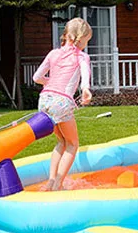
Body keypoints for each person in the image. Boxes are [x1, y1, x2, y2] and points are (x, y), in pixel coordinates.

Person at [32, 17, 93, 191]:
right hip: (62, 101)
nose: (85, 45)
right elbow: (84, 78)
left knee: (61, 142)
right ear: (80, 39)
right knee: (72, 143)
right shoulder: (82, 56)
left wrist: (50, 82)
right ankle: (58, 184)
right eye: (86, 42)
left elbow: (36, 78)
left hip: (44, 100)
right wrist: (86, 90)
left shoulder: (53, 53)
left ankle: (50, 181)